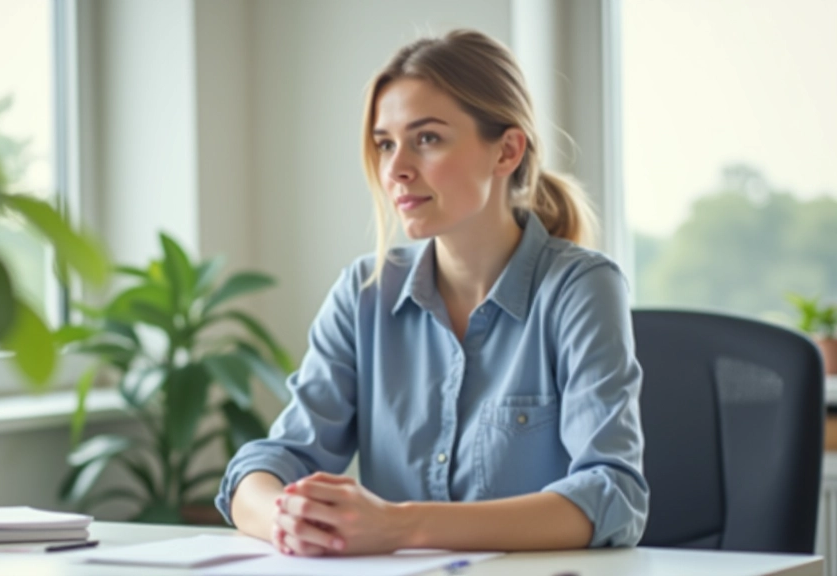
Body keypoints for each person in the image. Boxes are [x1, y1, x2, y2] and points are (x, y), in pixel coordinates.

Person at [214, 28, 648, 556]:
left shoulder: (580, 289)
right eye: (385, 144)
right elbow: (265, 467)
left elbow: (613, 494)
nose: (396, 168)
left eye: (427, 138)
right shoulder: (364, 293)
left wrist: (400, 526)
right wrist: (292, 519)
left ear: (507, 150)